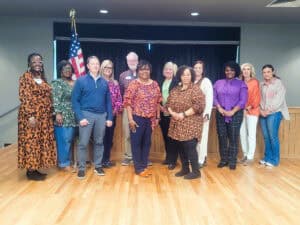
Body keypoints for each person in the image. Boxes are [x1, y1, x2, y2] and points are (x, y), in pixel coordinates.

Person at [71, 56, 113, 179]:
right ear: (88, 66)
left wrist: (109, 117)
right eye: (92, 63)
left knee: (99, 142)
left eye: (97, 63)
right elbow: (75, 101)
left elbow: (108, 102)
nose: (95, 65)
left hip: (101, 116)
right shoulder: (81, 81)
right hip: (86, 115)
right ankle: (82, 168)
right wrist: (80, 117)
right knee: (83, 143)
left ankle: (98, 166)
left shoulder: (104, 82)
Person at [18, 53, 56, 180]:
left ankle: (35, 168)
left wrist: (52, 110)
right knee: (31, 142)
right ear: (29, 64)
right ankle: (30, 171)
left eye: (39, 61)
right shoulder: (25, 77)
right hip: (32, 116)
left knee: (40, 142)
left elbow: (47, 96)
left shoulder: (42, 77)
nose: (37, 64)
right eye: (34, 62)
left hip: (44, 117)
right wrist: (30, 116)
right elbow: (25, 97)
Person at [123, 60, 161, 177]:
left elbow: (158, 101)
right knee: (136, 143)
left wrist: (158, 117)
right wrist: (130, 119)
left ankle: (144, 166)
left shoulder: (154, 84)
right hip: (137, 118)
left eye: (147, 69)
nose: (145, 71)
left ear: (150, 71)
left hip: (150, 119)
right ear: (138, 71)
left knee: (147, 143)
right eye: (142, 69)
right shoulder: (134, 84)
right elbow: (128, 103)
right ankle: (138, 168)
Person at [166, 66, 205, 179]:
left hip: (191, 122)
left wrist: (183, 114)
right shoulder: (175, 89)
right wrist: (173, 113)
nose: (186, 77)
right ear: (180, 76)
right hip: (177, 122)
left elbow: (199, 106)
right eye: (183, 75)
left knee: (190, 147)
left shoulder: (195, 89)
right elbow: (168, 104)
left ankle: (196, 171)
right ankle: (185, 168)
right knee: (180, 146)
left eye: (188, 74)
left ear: (191, 76)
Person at [213, 61, 248, 170]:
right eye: (227, 70)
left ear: (236, 71)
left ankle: (232, 161)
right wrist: (219, 108)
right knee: (222, 137)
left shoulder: (241, 84)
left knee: (233, 137)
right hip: (220, 113)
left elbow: (243, 100)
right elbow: (214, 97)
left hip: (236, 113)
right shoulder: (218, 83)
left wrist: (232, 112)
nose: (229, 72)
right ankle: (223, 160)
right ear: (224, 71)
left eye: (232, 70)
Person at [259, 64, 290, 167]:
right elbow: (259, 98)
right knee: (266, 137)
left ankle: (275, 160)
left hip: (274, 113)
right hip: (262, 113)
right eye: (264, 72)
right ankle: (267, 157)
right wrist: (261, 110)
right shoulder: (261, 84)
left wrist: (267, 111)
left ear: (273, 72)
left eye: (268, 71)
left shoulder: (278, 83)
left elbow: (279, 100)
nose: (266, 74)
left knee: (273, 137)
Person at [51, 60, 76, 170]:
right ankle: (63, 163)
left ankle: (69, 160)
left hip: (74, 114)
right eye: (65, 69)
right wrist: (58, 114)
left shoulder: (75, 82)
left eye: (69, 69)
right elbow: (56, 99)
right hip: (63, 114)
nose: (68, 71)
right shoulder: (57, 83)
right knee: (64, 139)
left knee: (70, 139)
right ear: (60, 71)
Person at [100, 59, 123, 168]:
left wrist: (114, 110)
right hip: (100, 116)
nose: (108, 70)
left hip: (112, 115)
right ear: (102, 68)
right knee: (101, 139)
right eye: (106, 67)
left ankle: (107, 159)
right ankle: (99, 161)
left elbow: (119, 99)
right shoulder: (98, 81)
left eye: (110, 68)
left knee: (109, 138)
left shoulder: (115, 83)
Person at [119, 52, 139, 166]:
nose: (132, 62)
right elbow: (121, 92)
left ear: (137, 60)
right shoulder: (122, 75)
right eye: (130, 61)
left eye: (134, 60)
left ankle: (141, 156)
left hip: (141, 109)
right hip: (127, 109)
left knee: (141, 133)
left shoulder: (143, 74)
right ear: (127, 62)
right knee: (127, 133)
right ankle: (128, 156)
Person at [239, 63, 260, 165]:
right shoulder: (240, 82)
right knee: (242, 134)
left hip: (252, 111)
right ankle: (245, 154)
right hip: (241, 112)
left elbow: (256, 98)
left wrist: (247, 108)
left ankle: (250, 157)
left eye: (248, 69)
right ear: (242, 72)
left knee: (251, 135)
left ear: (251, 71)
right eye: (244, 69)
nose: (246, 71)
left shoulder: (255, 82)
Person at [193, 60, 213, 168]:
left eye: (199, 68)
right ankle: (197, 157)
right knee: (194, 138)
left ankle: (201, 160)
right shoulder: (191, 81)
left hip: (202, 115)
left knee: (202, 137)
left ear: (203, 70)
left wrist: (206, 114)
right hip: (192, 115)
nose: (197, 70)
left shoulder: (206, 81)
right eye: (195, 67)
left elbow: (209, 99)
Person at [159, 61, 178, 170]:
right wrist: (161, 106)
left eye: (170, 69)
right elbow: (159, 96)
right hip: (163, 114)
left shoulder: (176, 82)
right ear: (163, 71)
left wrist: (167, 107)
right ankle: (168, 157)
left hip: (172, 114)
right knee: (166, 137)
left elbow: (175, 98)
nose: (168, 71)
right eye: (166, 69)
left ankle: (173, 160)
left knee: (172, 138)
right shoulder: (162, 81)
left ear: (173, 71)